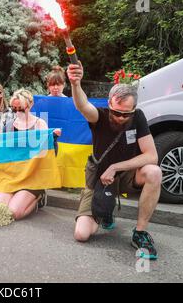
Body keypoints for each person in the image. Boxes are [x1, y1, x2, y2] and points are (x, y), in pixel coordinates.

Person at [67, 62, 162, 260]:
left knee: (154, 172)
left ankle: (140, 233)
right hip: (99, 178)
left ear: (134, 109)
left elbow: (151, 156)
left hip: (126, 175)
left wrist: (115, 167)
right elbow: (82, 105)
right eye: (116, 112)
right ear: (109, 103)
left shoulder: (138, 117)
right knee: (81, 234)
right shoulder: (99, 116)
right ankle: (105, 210)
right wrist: (76, 84)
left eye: (126, 114)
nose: (120, 117)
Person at [0, 89, 61, 220]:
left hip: (32, 175)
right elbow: (2, 152)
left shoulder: (39, 124)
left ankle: (39, 197)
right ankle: (17, 196)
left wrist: (52, 138)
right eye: (14, 109)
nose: (18, 112)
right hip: (12, 174)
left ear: (30, 106)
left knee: (14, 213)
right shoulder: (9, 125)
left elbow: (48, 155)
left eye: (21, 109)